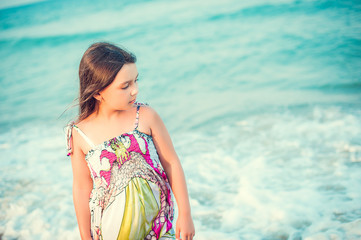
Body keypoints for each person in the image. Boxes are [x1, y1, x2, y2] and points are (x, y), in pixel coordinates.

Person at [64, 42, 195, 240]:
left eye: (135, 81)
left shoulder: (145, 116)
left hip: (159, 228)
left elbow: (171, 163)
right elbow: (82, 187)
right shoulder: (80, 133)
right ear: (98, 92)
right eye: (125, 86)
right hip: (109, 232)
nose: (135, 90)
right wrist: (85, 236)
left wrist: (185, 214)